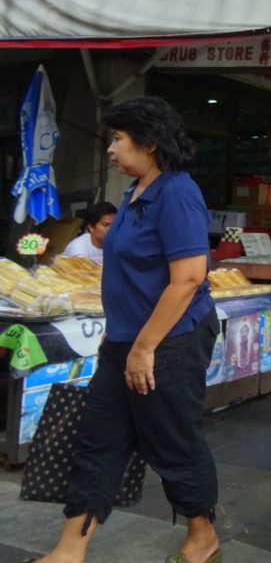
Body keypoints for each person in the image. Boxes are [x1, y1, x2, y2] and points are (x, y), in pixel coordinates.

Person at [32, 96, 221, 563]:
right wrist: (118, 339)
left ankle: (203, 537)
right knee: (97, 438)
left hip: (169, 344)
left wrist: (144, 346)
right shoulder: (136, 192)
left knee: (171, 440)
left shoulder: (177, 192)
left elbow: (189, 278)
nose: (111, 150)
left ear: (150, 144)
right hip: (125, 342)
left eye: (118, 139)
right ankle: (68, 550)